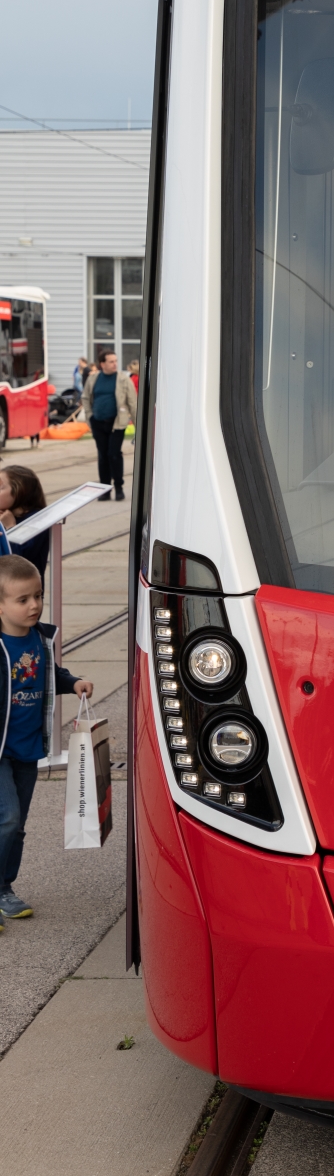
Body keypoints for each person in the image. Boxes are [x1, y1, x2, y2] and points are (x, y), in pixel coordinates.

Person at [0, 555, 93, 924]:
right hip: (0, 750)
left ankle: (6, 887)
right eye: (22, 599)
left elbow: (52, 671)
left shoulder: (40, 640)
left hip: (27, 748)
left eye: (38, 596)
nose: (34, 605)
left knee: (17, 822)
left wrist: (73, 683)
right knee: (6, 817)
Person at [80, 351, 136, 502]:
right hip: (98, 422)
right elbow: (85, 398)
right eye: (111, 361)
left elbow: (133, 404)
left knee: (114, 454)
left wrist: (139, 428)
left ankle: (119, 487)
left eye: (116, 361)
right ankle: (104, 489)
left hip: (117, 423)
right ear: (102, 364)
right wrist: (90, 416)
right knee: (103, 456)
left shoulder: (124, 380)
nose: (115, 364)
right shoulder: (93, 379)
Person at [0, 467, 48, 578]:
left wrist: (10, 528)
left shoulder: (37, 521)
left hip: (20, 590)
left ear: (19, 491)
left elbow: (18, 561)